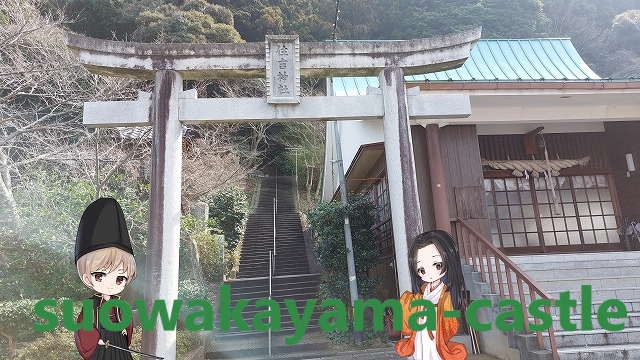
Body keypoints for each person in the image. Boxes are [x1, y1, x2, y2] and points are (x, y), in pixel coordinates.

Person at [74, 198, 136, 360]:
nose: (110, 284)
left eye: (120, 278)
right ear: (87, 277)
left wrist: (124, 329)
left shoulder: (120, 303)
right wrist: (96, 340)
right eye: (100, 275)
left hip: (118, 341)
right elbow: (84, 328)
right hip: (101, 343)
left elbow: (126, 321)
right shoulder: (90, 305)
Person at [395, 230, 467, 360]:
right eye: (421, 269)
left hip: (436, 336)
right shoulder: (421, 293)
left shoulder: (446, 295)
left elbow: (451, 323)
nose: (428, 273)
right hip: (420, 335)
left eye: (437, 265)